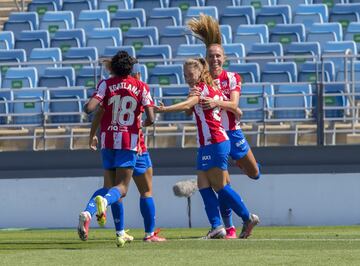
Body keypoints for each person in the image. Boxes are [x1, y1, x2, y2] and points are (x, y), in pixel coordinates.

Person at [156, 58, 255, 239]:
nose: (187, 78)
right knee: (203, 184)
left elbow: (187, 106)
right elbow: (191, 108)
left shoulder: (201, 88)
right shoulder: (207, 88)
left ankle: (247, 217)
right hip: (206, 144)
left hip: (215, 141)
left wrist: (164, 110)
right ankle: (217, 226)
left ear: (200, 73)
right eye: (185, 75)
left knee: (220, 185)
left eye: (190, 74)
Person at [187, 14, 260, 239]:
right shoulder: (202, 79)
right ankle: (227, 227)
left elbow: (235, 105)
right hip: (216, 136)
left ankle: (235, 221)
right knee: (220, 183)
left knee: (254, 173)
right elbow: (195, 104)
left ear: (224, 58)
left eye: (218, 56)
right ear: (206, 59)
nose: (215, 59)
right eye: (211, 56)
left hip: (233, 133)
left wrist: (220, 103)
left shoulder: (232, 78)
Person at [78, 63, 165, 245]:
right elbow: (149, 117)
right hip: (135, 146)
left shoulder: (110, 89)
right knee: (143, 191)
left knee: (110, 188)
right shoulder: (139, 89)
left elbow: (98, 113)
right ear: (135, 74)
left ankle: (95, 216)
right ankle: (149, 234)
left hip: (111, 142)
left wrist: (92, 135)